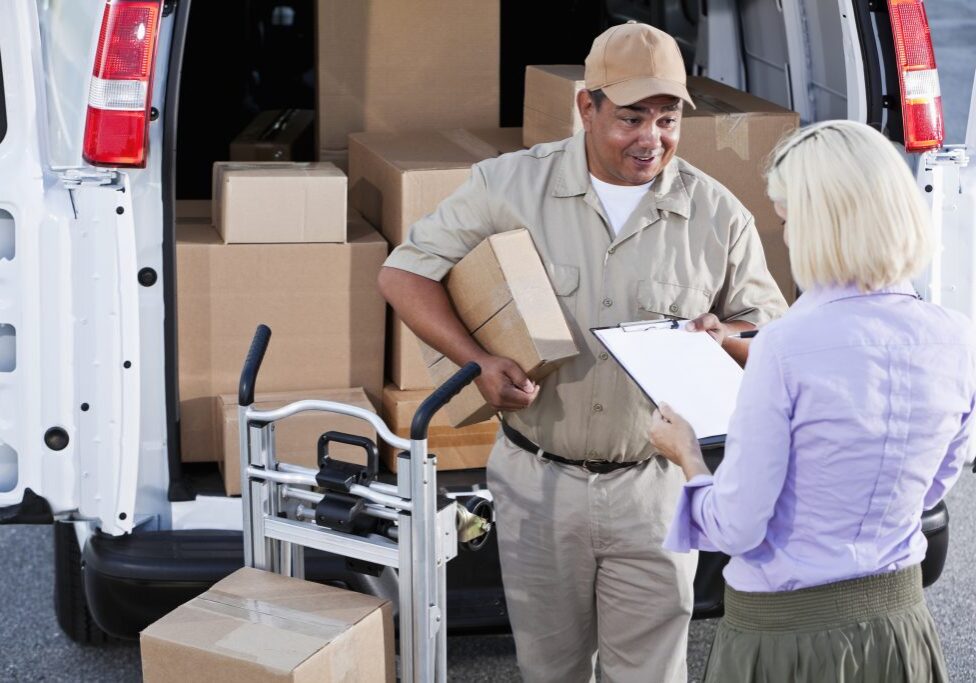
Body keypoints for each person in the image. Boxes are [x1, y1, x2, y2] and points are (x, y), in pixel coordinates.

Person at [379, 21, 787, 682]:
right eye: (630, 118)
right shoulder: (508, 186)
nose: (650, 139)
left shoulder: (717, 215)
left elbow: (776, 342)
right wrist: (476, 360)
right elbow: (404, 273)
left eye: (666, 119)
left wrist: (726, 338)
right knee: (550, 670)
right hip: (539, 482)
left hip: (653, 489)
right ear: (586, 107)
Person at [650, 119, 976, 683]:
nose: (788, 235)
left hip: (789, 637)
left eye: (789, 218)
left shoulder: (783, 347)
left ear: (821, 223)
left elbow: (737, 527)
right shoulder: (957, 335)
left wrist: (688, 458)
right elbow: (931, 486)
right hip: (900, 626)